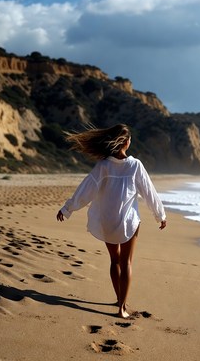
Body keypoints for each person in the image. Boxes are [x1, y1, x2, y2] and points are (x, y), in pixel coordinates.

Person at [56, 124, 166, 318]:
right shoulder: (135, 165)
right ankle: (122, 308)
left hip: (107, 221)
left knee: (115, 260)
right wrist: (160, 215)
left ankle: (119, 298)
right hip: (128, 222)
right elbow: (149, 192)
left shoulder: (103, 165)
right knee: (127, 263)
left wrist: (67, 208)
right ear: (126, 142)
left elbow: (86, 190)